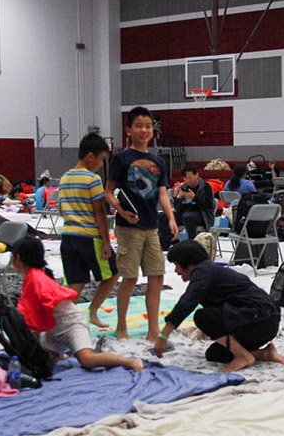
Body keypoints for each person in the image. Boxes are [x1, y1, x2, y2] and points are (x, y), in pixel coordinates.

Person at [10, 238, 141, 373]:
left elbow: (32, 317)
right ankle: (60, 353)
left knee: (87, 359)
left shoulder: (35, 279)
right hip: (54, 329)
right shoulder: (34, 276)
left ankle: (129, 361)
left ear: (18, 258)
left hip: (71, 325)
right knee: (40, 358)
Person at [154, 241, 284, 373]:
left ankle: (243, 356)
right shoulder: (210, 271)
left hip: (260, 320)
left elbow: (188, 301)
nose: (176, 271)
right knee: (214, 354)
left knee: (202, 317)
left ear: (188, 262)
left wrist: (164, 336)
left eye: (177, 265)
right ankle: (265, 354)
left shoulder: (203, 271)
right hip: (263, 322)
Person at [105, 106, 179, 342]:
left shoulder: (157, 160)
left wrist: (170, 217)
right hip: (128, 228)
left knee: (157, 276)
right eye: (139, 125)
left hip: (152, 227)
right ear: (129, 129)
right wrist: (122, 212)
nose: (144, 130)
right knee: (130, 277)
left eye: (148, 126)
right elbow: (108, 192)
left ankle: (152, 329)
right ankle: (121, 325)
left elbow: (162, 193)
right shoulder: (121, 158)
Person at [57, 132, 118, 329]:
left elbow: (60, 209)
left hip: (67, 235)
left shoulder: (64, 178)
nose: (101, 164)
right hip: (89, 237)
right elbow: (99, 213)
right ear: (90, 156)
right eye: (101, 160)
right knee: (113, 274)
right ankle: (93, 311)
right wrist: (106, 242)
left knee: (76, 281)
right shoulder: (92, 179)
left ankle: (60, 318)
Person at [173, 166, 217, 240]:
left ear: (197, 175)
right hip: (183, 213)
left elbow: (209, 206)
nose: (188, 180)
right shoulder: (183, 188)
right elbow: (177, 208)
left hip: (200, 215)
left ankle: (192, 243)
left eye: (190, 178)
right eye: (185, 178)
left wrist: (194, 198)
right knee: (164, 216)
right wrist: (177, 197)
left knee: (188, 217)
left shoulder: (205, 187)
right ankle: (167, 244)